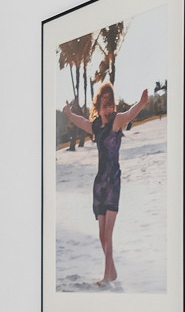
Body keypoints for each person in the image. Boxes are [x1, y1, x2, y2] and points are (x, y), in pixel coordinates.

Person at [62, 80, 150, 285]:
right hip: (99, 183)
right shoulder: (96, 127)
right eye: (105, 105)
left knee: (108, 234)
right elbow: (81, 121)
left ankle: (106, 277)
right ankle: (113, 273)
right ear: (99, 107)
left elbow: (129, 114)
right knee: (102, 235)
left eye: (111, 104)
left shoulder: (117, 121)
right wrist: (68, 114)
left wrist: (142, 103)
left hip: (113, 182)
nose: (109, 108)